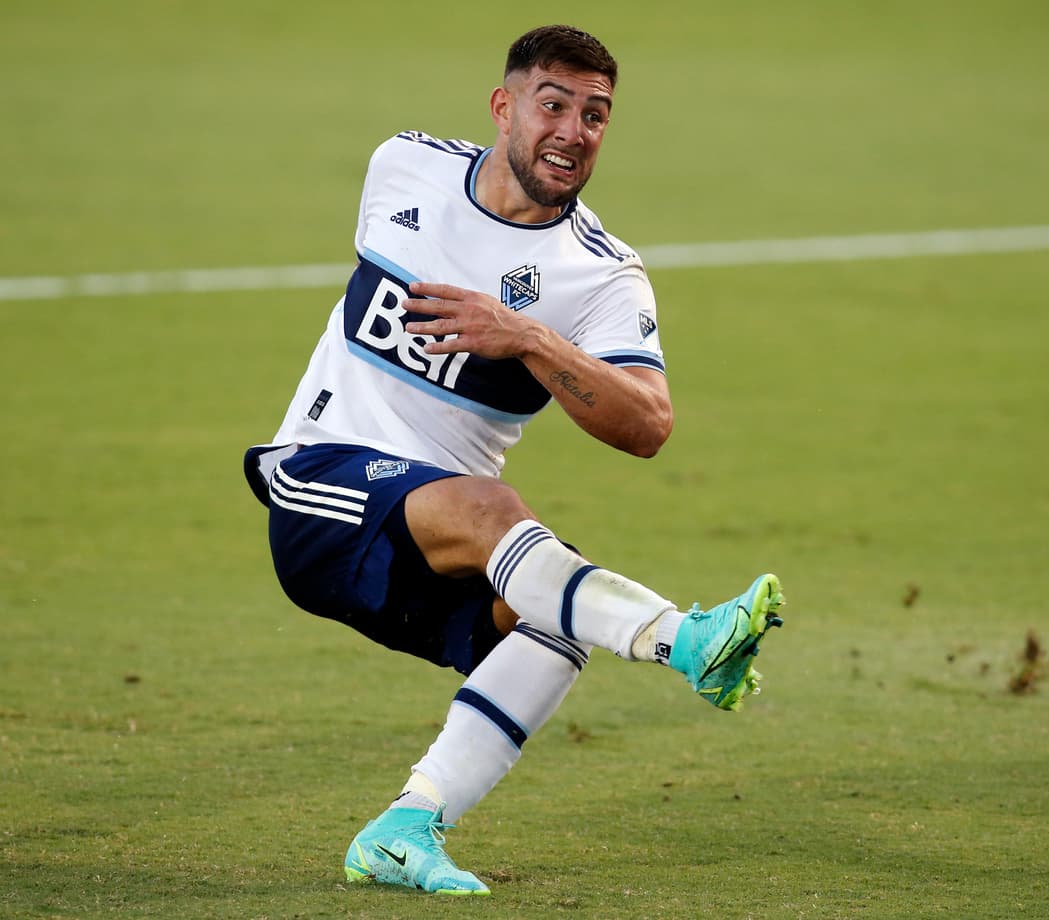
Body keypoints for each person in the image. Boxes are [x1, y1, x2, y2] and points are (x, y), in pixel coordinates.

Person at [243, 24, 785, 897]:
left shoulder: (601, 278)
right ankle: (685, 642)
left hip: (426, 541)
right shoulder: (405, 166)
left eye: (596, 114)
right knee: (498, 511)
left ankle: (406, 828)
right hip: (321, 483)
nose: (573, 130)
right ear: (505, 107)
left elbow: (648, 424)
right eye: (554, 104)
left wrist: (529, 337)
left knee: (552, 626)